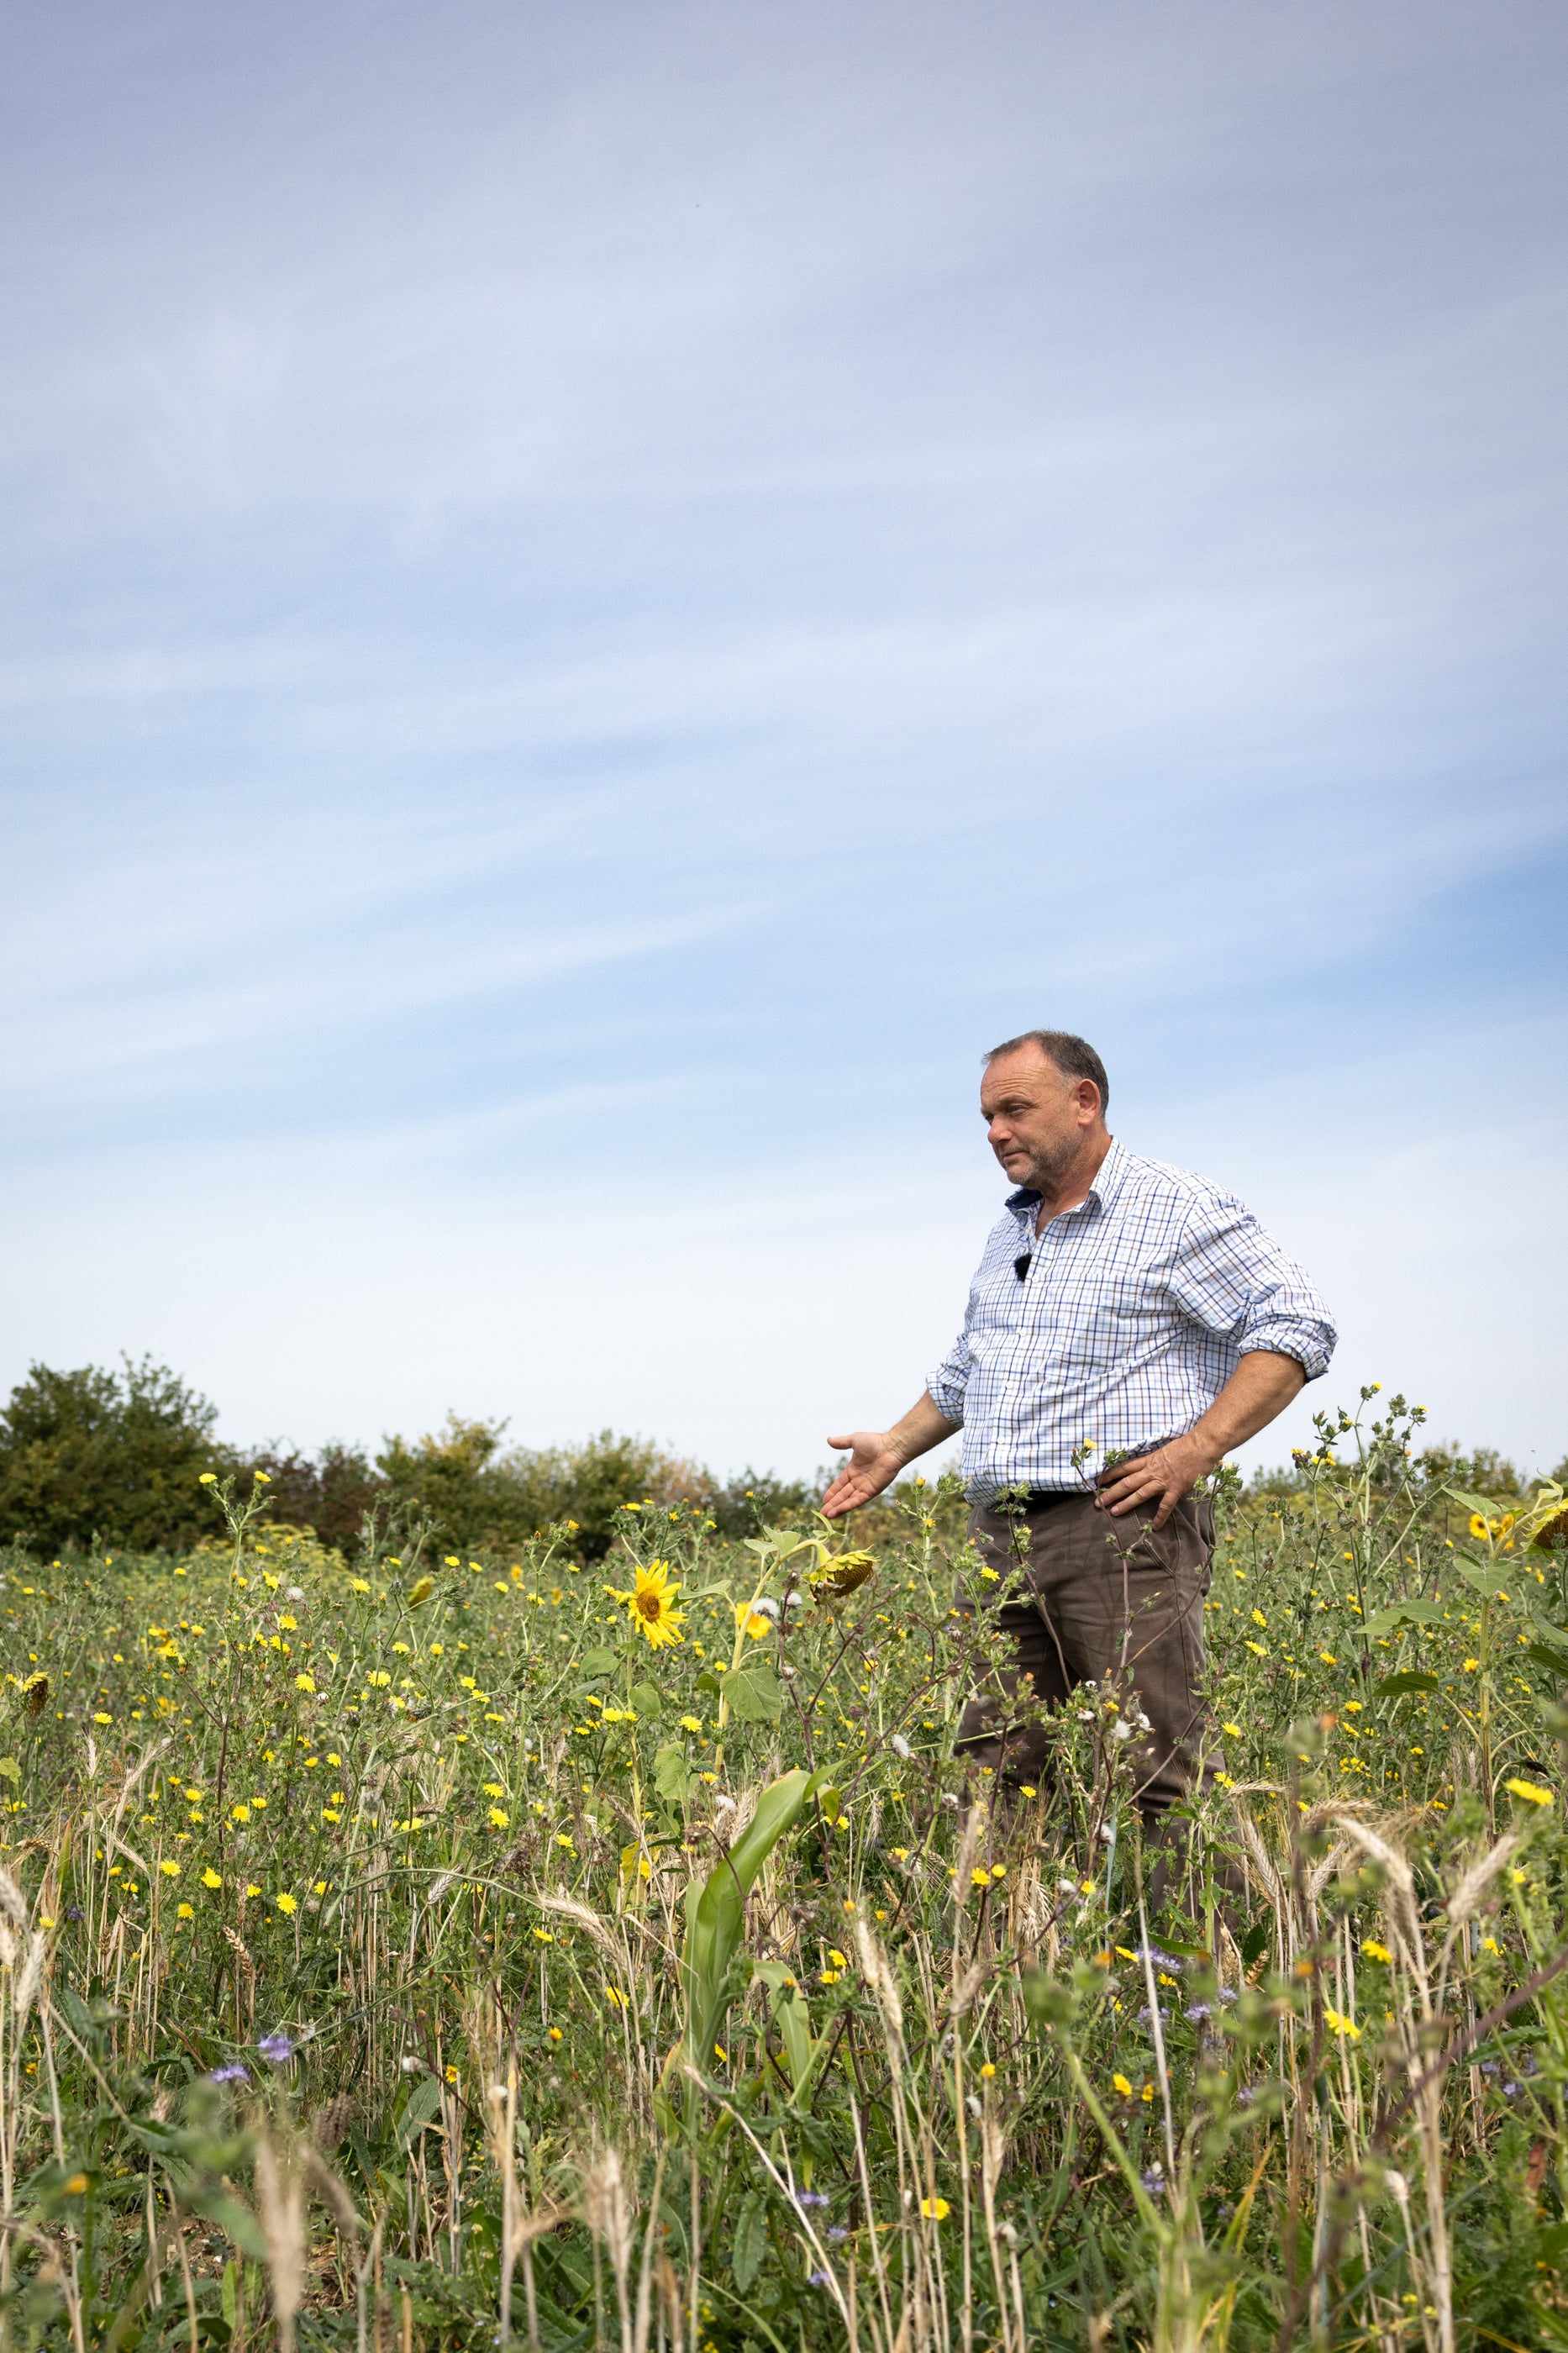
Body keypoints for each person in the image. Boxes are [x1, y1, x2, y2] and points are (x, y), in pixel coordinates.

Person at [821, 1028, 1336, 1830]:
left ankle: (1198, 1957)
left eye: (1015, 1110)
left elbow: (1297, 1325)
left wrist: (1197, 1448)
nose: (996, 1133)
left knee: (1157, 1767)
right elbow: (970, 1367)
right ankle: (1009, 1952)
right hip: (1002, 1534)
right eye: (987, 1116)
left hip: (1119, 1524)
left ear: (1085, 1101)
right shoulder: (1009, 1232)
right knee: (993, 1767)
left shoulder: (1176, 1205)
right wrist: (895, 1445)